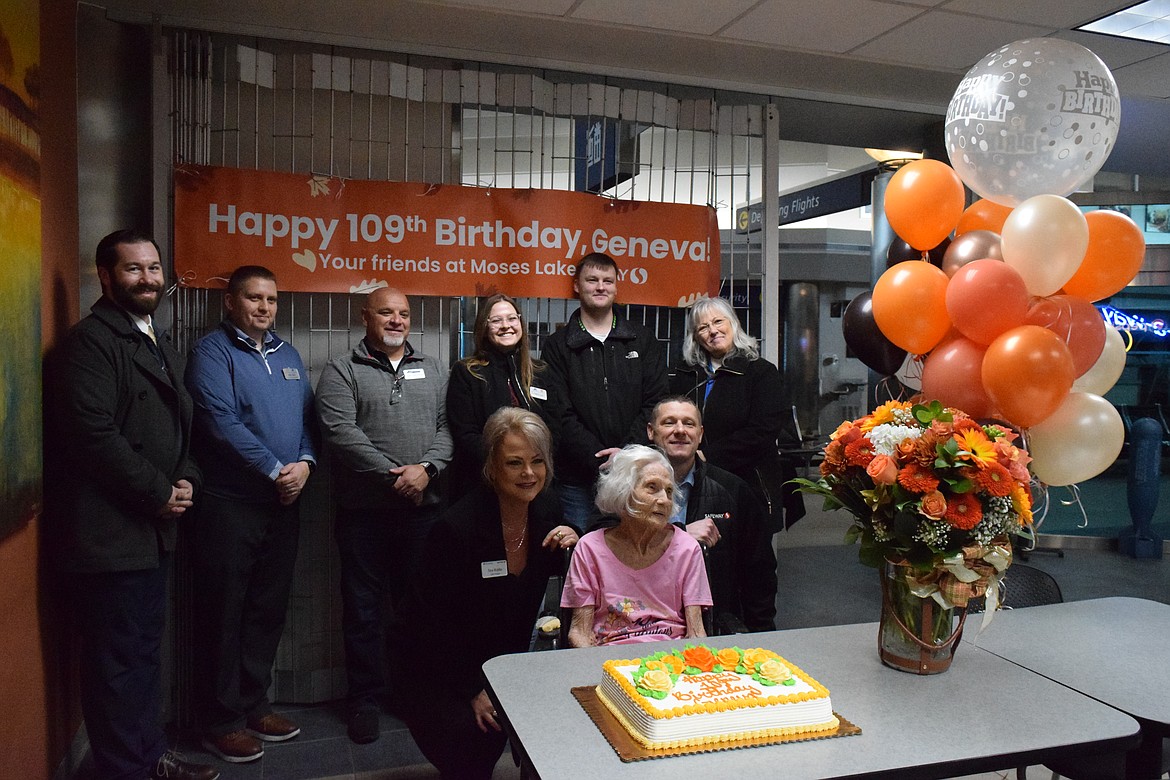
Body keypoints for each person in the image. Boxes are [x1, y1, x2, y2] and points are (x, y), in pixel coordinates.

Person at [48, 229, 217, 780]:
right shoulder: (90, 343)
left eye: (153, 267)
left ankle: (149, 761)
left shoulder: (155, 338)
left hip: (150, 533)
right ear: (105, 276)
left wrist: (186, 476)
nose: (148, 278)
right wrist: (159, 491)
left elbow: (180, 426)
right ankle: (127, 771)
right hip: (111, 535)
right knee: (118, 668)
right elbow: (92, 435)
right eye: (133, 269)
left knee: (142, 659)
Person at [392, 408, 578, 779]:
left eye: (537, 461)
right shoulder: (456, 529)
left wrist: (573, 536)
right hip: (437, 670)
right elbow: (427, 627)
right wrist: (473, 689)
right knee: (473, 740)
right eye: (515, 462)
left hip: (501, 662)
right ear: (492, 465)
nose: (528, 473)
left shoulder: (548, 509)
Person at [184, 265, 317, 763]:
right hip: (229, 505)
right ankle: (219, 721)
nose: (265, 308)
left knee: (266, 609)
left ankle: (252, 702)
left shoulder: (288, 354)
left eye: (272, 300)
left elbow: (308, 419)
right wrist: (275, 469)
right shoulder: (211, 354)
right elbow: (219, 422)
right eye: (254, 298)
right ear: (231, 303)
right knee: (223, 613)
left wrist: (305, 464)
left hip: (283, 504)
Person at [315, 286, 453, 745]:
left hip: (424, 514)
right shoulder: (341, 369)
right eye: (386, 313)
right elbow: (340, 434)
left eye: (403, 314)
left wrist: (427, 470)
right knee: (363, 612)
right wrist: (398, 478)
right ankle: (365, 700)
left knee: (418, 608)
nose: (396, 320)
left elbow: (447, 429)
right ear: (365, 317)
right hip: (365, 515)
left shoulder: (432, 369)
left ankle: (412, 692)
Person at [541, 252, 668, 531]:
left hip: (637, 472)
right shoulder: (557, 345)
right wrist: (599, 459)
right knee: (580, 559)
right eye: (592, 280)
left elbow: (655, 404)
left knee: (635, 557)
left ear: (616, 286)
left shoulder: (643, 339)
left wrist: (623, 456)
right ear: (577, 285)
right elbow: (558, 412)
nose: (601, 287)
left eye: (608, 281)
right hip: (577, 479)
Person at [669, 296, 805, 533]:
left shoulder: (760, 372)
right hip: (697, 484)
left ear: (733, 324)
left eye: (718, 321)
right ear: (696, 336)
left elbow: (763, 430)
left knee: (752, 564)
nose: (713, 331)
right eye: (703, 327)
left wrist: (706, 455)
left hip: (749, 483)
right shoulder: (686, 375)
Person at [646, 396, 777, 632]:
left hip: (714, 624)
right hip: (643, 621)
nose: (679, 431)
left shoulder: (733, 490)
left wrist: (761, 633)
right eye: (668, 422)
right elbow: (604, 540)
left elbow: (759, 571)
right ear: (651, 431)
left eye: (688, 423)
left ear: (700, 433)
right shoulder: (626, 486)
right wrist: (680, 535)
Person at [561, 445, 711, 646]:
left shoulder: (687, 548)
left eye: (668, 491)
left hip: (672, 660)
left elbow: (697, 633)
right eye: (652, 487)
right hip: (610, 662)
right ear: (623, 491)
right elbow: (579, 633)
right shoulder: (590, 549)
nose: (664, 500)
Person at [446, 293, 552, 498]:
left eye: (512, 318)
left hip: (536, 483)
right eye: (496, 320)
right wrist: (506, 464)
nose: (506, 325)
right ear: (484, 328)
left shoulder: (541, 372)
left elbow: (554, 426)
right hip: (483, 484)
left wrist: (535, 463)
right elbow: (465, 433)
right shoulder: (467, 372)